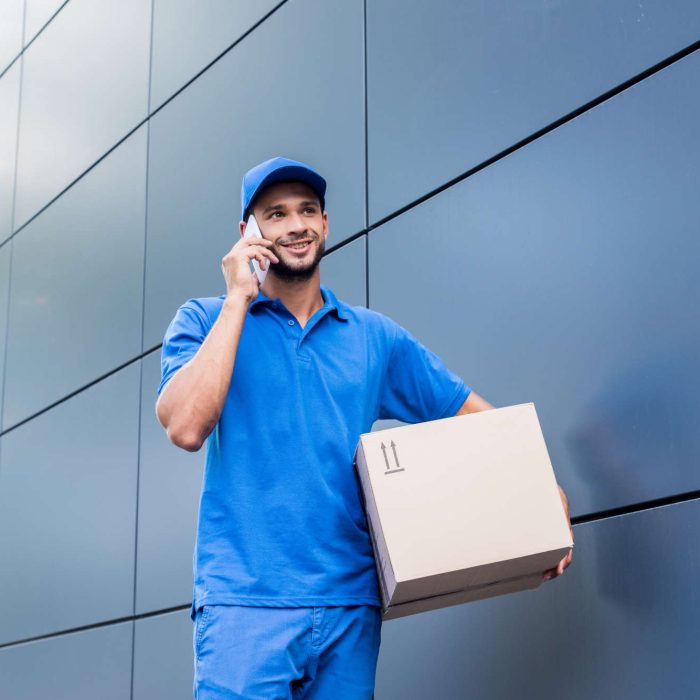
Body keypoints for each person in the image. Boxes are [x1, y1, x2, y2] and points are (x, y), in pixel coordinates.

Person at [155, 156, 573, 699]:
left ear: (326, 224)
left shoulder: (374, 337)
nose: (296, 225)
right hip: (246, 606)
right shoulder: (204, 320)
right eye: (276, 214)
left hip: (349, 607)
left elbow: (476, 418)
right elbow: (186, 426)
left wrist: (542, 490)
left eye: (308, 210)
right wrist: (238, 296)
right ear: (248, 233)